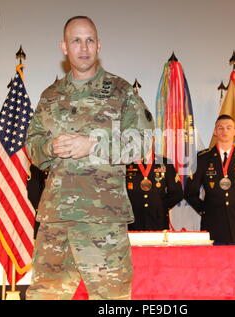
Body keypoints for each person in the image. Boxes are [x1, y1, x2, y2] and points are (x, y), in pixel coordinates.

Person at [25, 16, 154, 300]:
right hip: (56, 217)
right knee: (44, 295)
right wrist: (49, 147)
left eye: (90, 40)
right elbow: (31, 145)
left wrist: (93, 145)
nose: (83, 47)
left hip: (102, 221)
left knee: (111, 299)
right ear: (64, 47)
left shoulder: (122, 91)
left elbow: (142, 143)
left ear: (99, 45)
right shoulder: (50, 96)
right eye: (76, 40)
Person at [184, 114, 235, 245]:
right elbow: (190, 192)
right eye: (220, 128)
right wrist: (205, 210)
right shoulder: (203, 158)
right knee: (213, 265)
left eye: (228, 127)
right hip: (212, 225)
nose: (224, 131)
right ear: (215, 132)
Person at [126, 146, 183, 231]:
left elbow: (177, 193)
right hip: (134, 221)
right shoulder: (126, 163)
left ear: (153, 139)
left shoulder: (165, 162)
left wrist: (160, 206)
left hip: (158, 220)